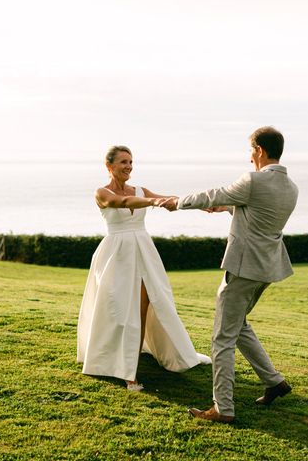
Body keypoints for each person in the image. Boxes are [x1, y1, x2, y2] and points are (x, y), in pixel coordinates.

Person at [160, 126, 299, 423]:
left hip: (244, 267)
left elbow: (214, 193)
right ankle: (275, 382)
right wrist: (229, 208)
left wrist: (176, 203)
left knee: (222, 337)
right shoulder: (290, 186)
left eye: (251, 151)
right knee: (239, 325)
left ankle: (222, 407)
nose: (250, 158)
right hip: (267, 268)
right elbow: (258, 215)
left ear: (259, 150)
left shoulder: (253, 180)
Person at [77, 145, 211, 391]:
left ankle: (132, 368)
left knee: (143, 308)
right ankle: (116, 362)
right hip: (116, 255)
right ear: (109, 166)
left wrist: (201, 204)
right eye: (123, 162)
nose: (128, 166)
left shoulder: (140, 190)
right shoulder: (102, 192)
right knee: (118, 310)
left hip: (143, 252)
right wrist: (153, 201)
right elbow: (122, 201)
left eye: (130, 162)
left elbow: (167, 198)